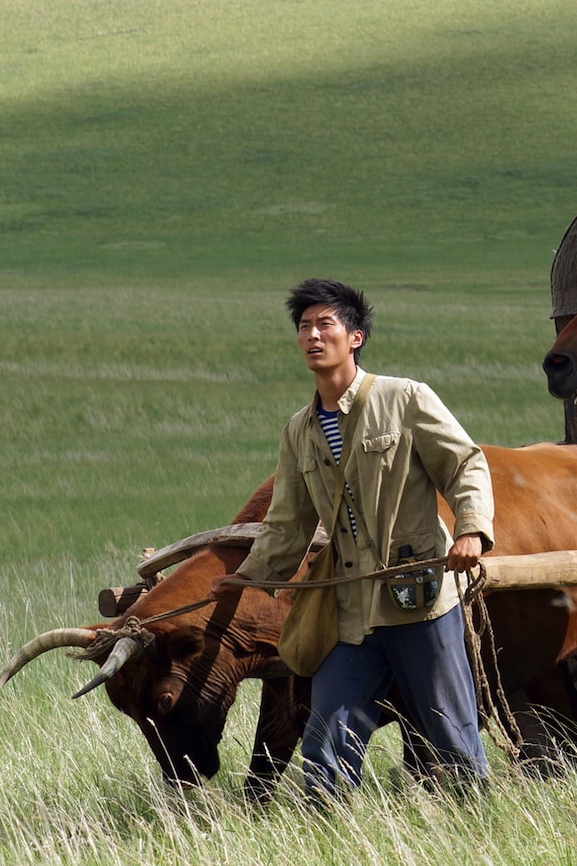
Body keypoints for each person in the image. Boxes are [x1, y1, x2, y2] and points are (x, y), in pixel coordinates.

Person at [211, 278, 494, 803]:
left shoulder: (405, 398)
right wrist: (247, 579)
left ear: (355, 336)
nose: (313, 336)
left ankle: (477, 827)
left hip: (420, 600)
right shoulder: (299, 430)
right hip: (350, 614)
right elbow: (287, 524)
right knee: (326, 742)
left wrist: (472, 529)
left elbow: (465, 464)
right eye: (304, 327)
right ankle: (329, 841)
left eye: (325, 324)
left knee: (451, 738)